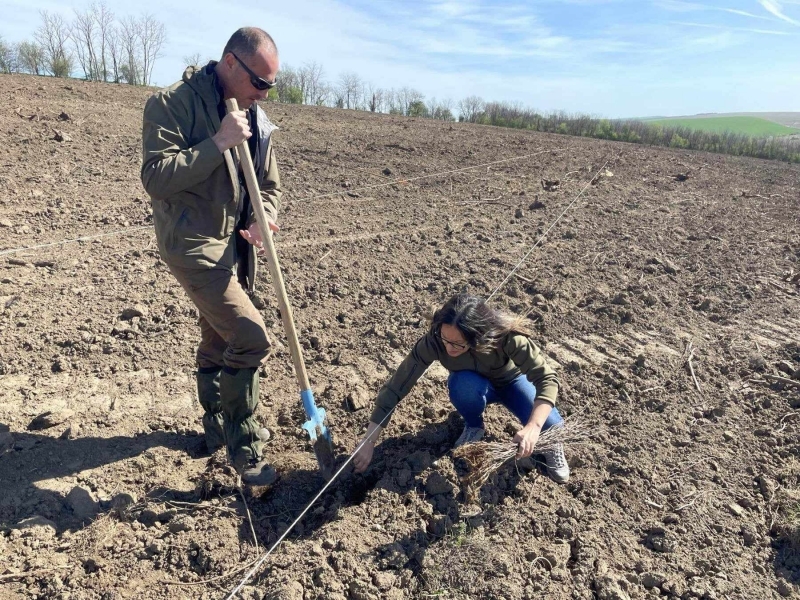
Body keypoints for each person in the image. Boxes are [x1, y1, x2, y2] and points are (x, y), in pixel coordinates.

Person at [140, 27, 283, 485]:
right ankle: (246, 448)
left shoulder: (256, 117)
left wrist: (267, 216)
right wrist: (217, 143)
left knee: (219, 339)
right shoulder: (171, 104)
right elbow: (156, 177)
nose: (264, 93)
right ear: (229, 63)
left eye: (270, 85)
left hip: (235, 247)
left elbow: (269, 186)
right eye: (259, 82)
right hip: (193, 245)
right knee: (250, 336)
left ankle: (215, 427)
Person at [353, 293, 570, 484]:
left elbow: (547, 379)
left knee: (552, 426)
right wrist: (369, 440)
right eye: (445, 339)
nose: (448, 348)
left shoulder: (508, 339)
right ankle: (474, 426)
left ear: (479, 337)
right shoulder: (435, 342)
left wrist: (533, 426)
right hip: (473, 385)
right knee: (461, 384)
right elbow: (396, 387)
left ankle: (551, 444)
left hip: (512, 382)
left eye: (457, 344)